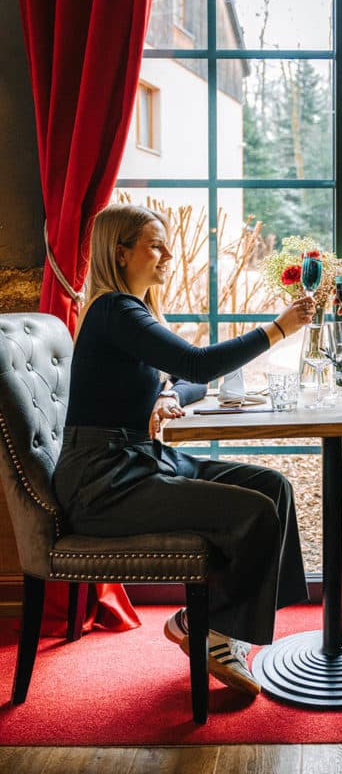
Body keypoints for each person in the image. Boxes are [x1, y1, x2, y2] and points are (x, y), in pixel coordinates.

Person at [52, 203, 315, 698]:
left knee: (272, 486)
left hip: (135, 462)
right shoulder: (114, 309)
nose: (168, 254)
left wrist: (166, 391)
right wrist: (277, 330)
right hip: (102, 481)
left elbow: (181, 380)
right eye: (156, 244)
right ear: (120, 251)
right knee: (256, 512)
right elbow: (197, 365)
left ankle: (209, 624)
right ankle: (209, 629)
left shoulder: (130, 312)